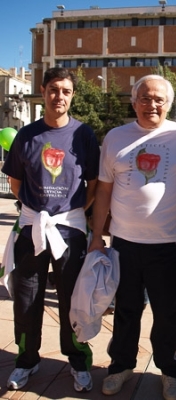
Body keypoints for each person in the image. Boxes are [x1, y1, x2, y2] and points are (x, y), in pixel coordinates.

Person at [89, 74, 176, 400]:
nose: (152, 104)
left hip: (167, 244)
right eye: (145, 98)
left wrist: (168, 203)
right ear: (134, 102)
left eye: (159, 99)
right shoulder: (116, 137)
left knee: (167, 314)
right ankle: (121, 367)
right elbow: (104, 189)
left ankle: (170, 371)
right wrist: (97, 236)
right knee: (126, 310)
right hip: (124, 242)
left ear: (169, 104)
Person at [2, 67, 100, 393]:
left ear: (72, 96)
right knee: (26, 300)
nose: (59, 96)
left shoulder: (83, 135)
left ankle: (77, 359)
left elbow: (94, 185)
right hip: (31, 228)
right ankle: (26, 361)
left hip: (70, 231)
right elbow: (16, 184)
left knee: (74, 300)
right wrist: (38, 212)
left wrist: (70, 215)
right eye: (54, 89)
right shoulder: (26, 136)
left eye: (66, 91)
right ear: (43, 91)